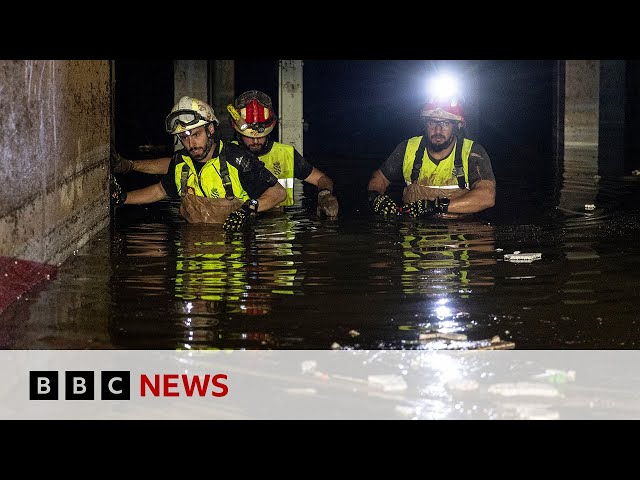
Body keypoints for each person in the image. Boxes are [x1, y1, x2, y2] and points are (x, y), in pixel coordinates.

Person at [112, 90, 339, 217]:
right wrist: (131, 167)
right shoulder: (220, 152)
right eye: (249, 135)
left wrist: (324, 193)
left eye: (261, 134)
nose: (256, 140)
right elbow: (174, 168)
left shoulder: (277, 154)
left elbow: (315, 180)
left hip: (273, 224)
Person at [110, 96, 286, 232]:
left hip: (234, 253)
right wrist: (123, 199)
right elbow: (160, 190)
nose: (191, 143)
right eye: (184, 137)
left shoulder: (237, 158)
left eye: (196, 135)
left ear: (210, 130)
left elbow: (278, 193)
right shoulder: (181, 162)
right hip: (193, 252)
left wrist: (249, 208)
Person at [366, 95, 496, 218]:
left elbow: (487, 197)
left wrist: (436, 206)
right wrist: (376, 197)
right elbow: (379, 179)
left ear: (457, 127)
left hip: (460, 232)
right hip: (415, 231)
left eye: (445, 123)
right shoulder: (408, 148)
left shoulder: (472, 153)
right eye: (432, 123)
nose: (438, 130)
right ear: (424, 124)